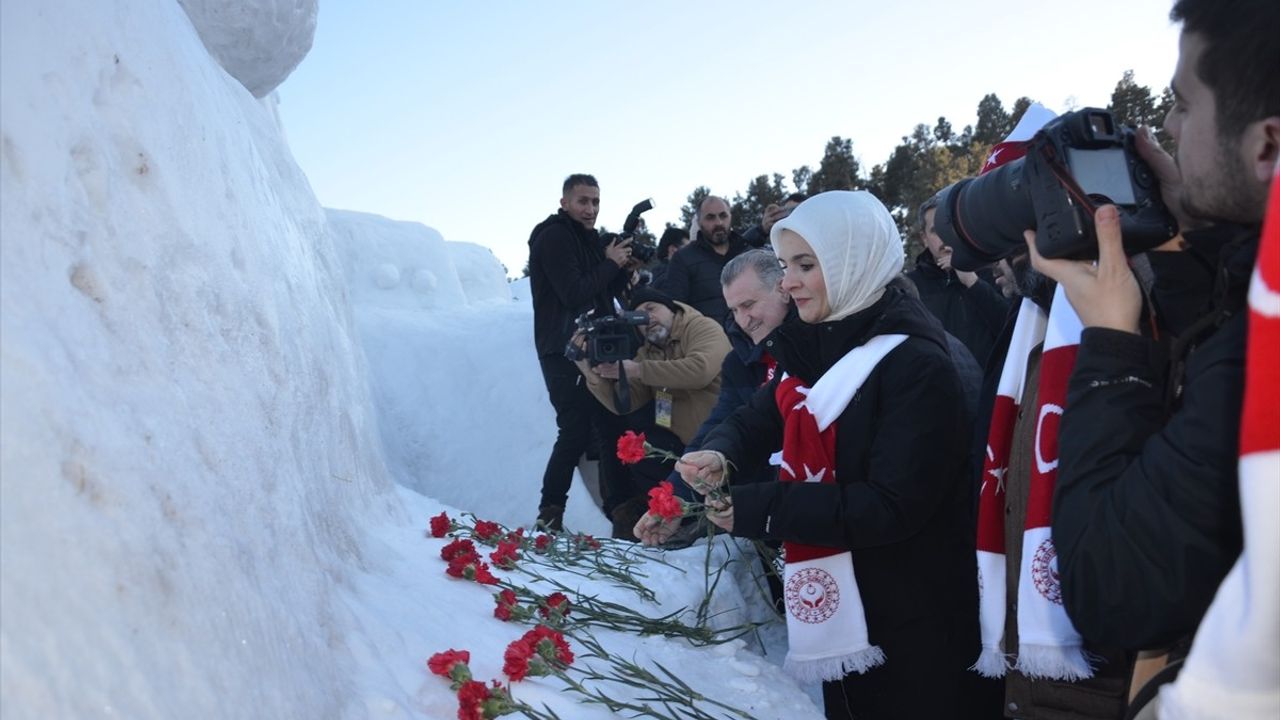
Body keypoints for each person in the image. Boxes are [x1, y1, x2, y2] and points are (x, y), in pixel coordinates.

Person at [1027, 0, 1278, 695]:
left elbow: (1113, 585)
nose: (1165, 128)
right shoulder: (1254, 310)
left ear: (1266, 146)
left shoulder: (1263, 358)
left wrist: (1110, 344)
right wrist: (1189, 236)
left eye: (1184, 104)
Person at [672, 191, 979, 719]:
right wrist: (720, 454)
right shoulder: (821, 341)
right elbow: (758, 415)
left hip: (914, 623)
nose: (787, 282)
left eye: (804, 266)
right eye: (787, 266)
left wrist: (761, 508)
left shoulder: (917, 364)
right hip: (854, 607)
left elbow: (891, 506)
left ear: (851, 261)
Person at [635, 248, 793, 544]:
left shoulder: (813, 350)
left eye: (749, 305)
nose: (744, 320)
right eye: (734, 310)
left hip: (812, 505)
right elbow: (722, 425)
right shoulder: (740, 361)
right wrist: (674, 499)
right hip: (762, 508)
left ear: (783, 290)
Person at [572, 286, 730, 540]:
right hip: (684, 444)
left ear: (672, 308)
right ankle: (687, 520)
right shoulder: (647, 352)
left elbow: (701, 370)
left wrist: (636, 369)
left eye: (651, 309)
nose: (647, 319)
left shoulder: (701, 327)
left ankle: (711, 519)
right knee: (644, 454)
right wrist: (590, 371)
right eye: (639, 318)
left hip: (722, 442)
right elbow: (624, 403)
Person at [527, 173, 635, 531]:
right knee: (573, 431)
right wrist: (610, 264)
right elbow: (573, 292)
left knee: (607, 428)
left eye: (595, 202)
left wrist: (621, 266)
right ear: (564, 203)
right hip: (564, 349)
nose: (590, 209)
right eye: (583, 201)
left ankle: (620, 511)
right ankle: (550, 513)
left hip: (595, 345)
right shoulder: (554, 236)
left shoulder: (588, 241)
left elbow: (603, 293)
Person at [908, 194, 1010, 368]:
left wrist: (972, 282)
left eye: (948, 226)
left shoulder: (993, 272)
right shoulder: (911, 287)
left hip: (994, 386)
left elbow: (1011, 330)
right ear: (924, 238)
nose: (944, 236)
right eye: (935, 230)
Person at [656, 196, 756, 322]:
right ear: (699, 222)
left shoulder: (749, 255)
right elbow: (676, 309)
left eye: (723, 216)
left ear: (730, 217)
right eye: (710, 217)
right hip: (709, 339)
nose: (718, 223)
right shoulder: (683, 259)